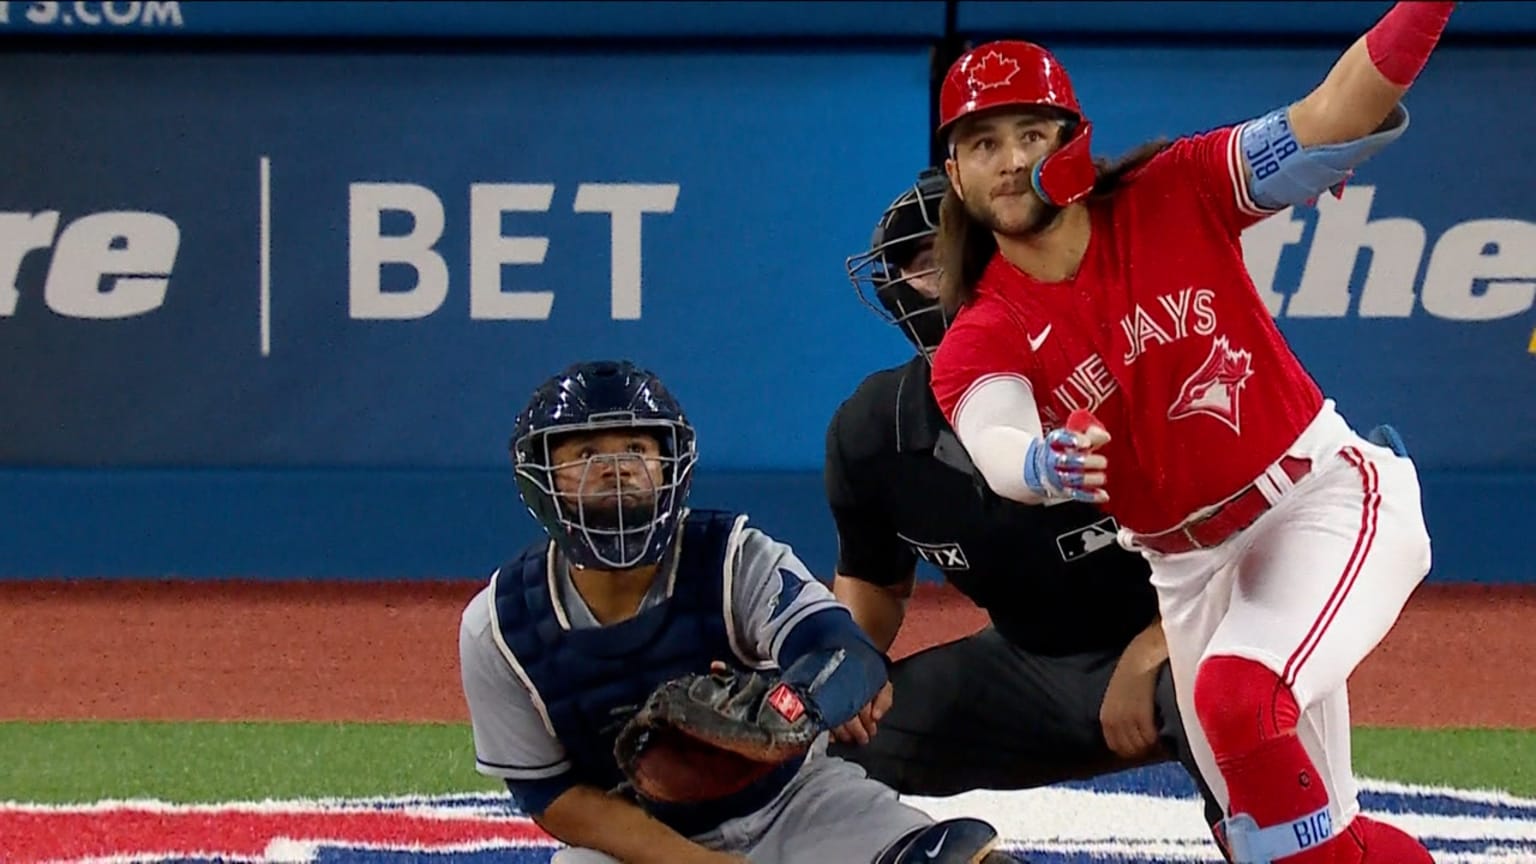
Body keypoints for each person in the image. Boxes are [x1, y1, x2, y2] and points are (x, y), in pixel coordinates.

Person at [924, 4, 1456, 863]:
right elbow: (996, 436)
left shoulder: (1177, 188)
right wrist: (1038, 457)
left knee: (1241, 700)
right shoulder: (983, 332)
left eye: (1031, 131)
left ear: (1073, 139)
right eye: (984, 143)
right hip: (1189, 569)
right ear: (955, 174)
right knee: (1274, 841)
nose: (1013, 159)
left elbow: (1333, 113)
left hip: (1317, 498)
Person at [457, 359, 1027, 864]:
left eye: (637, 449)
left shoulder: (730, 556)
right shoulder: (500, 628)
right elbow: (551, 795)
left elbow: (841, 649)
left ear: (670, 464)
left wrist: (797, 704)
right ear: (541, 478)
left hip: (795, 805)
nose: (616, 467)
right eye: (585, 454)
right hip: (647, 841)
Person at [826, 166, 1227, 840]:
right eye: (926, 264)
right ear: (897, 292)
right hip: (1023, 669)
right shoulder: (874, 431)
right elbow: (874, 586)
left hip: (1189, 640)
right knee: (820, 744)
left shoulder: (1135, 368)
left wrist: (1155, 652)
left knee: (1232, 706)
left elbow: (1252, 548)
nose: (947, 278)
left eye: (964, 251)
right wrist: (831, 672)